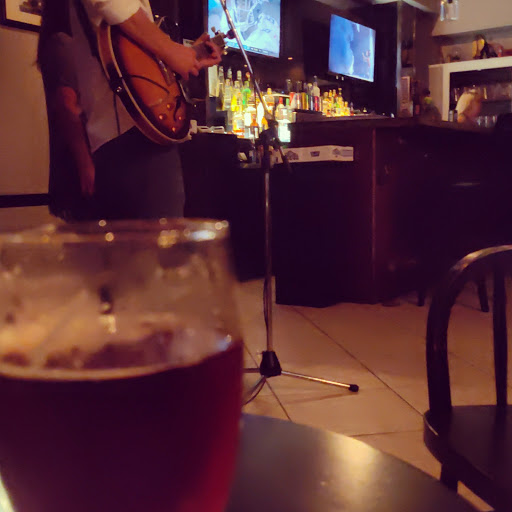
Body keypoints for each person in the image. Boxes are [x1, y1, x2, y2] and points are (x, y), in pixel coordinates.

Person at [38, 0, 221, 221]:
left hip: (121, 137)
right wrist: (172, 50)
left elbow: (133, 63)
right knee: (160, 240)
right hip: (134, 136)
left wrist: (185, 56)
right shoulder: (64, 39)